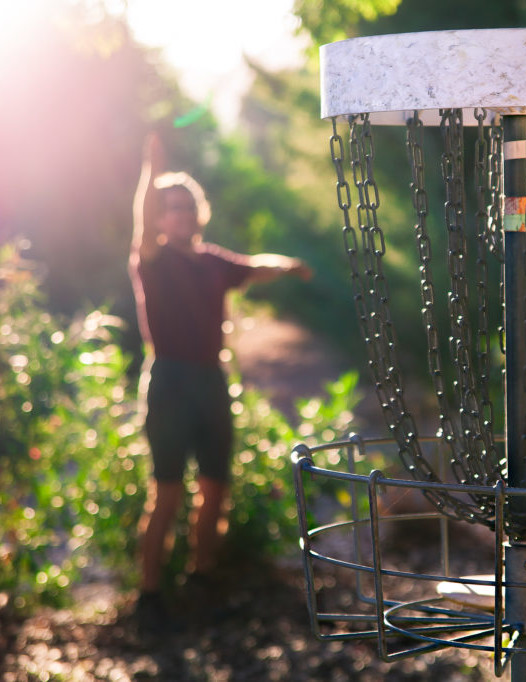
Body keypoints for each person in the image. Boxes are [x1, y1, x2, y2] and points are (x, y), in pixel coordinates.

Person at [129, 133, 311, 632]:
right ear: (160, 217)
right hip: (169, 382)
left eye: (187, 206)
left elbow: (254, 267)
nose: (180, 214)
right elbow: (141, 220)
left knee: (215, 487)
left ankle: (202, 577)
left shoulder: (213, 262)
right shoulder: (152, 258)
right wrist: (153, 167)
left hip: (211, 382)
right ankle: (149, 594)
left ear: (198, 212)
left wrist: (290, 266)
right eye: (170, 207)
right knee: (166, 492)